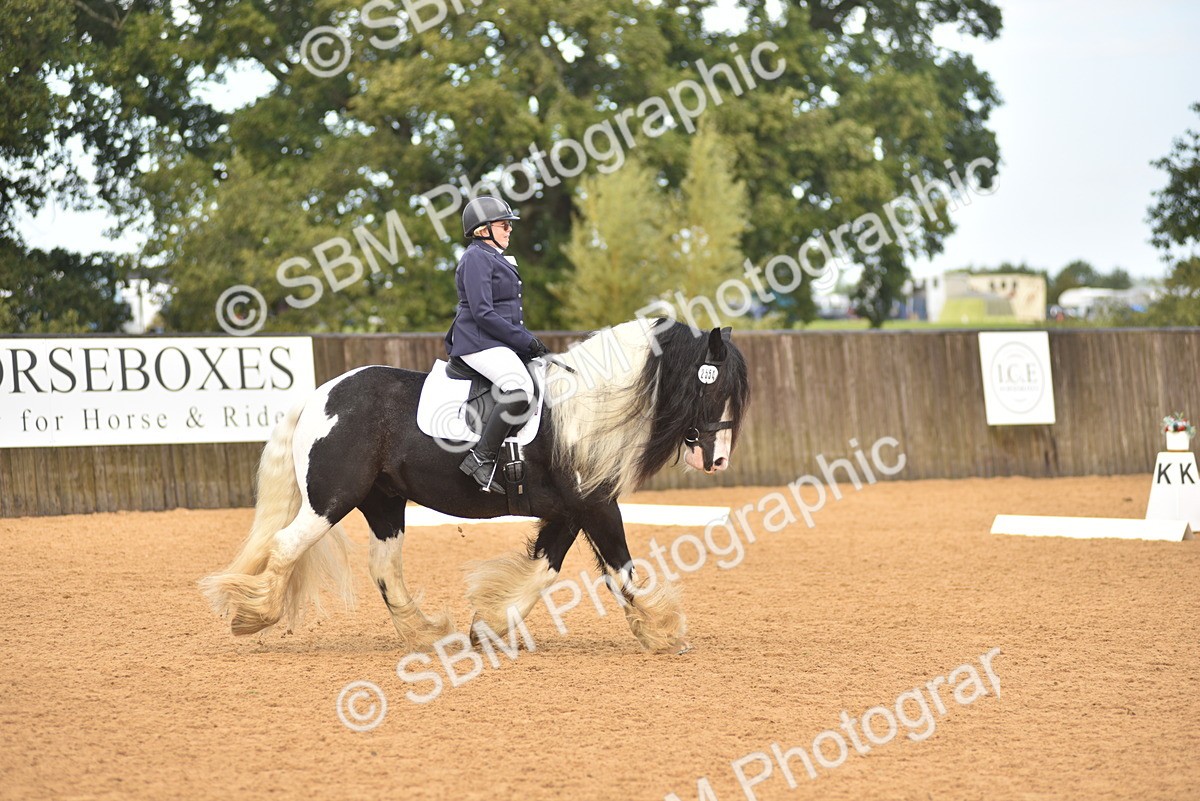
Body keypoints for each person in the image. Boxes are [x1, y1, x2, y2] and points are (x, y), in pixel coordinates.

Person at [445, 196, 550, 493]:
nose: (509, 230)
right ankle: (480, 458)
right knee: (520, 389)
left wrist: (527, 342)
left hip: (496, 341)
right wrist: (525, 341)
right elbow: (483, 312)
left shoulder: (495, 257)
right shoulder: (475, 257)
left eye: (509, 225)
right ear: (482, 230)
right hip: (478, 342)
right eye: (504, 225)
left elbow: (509, 313)